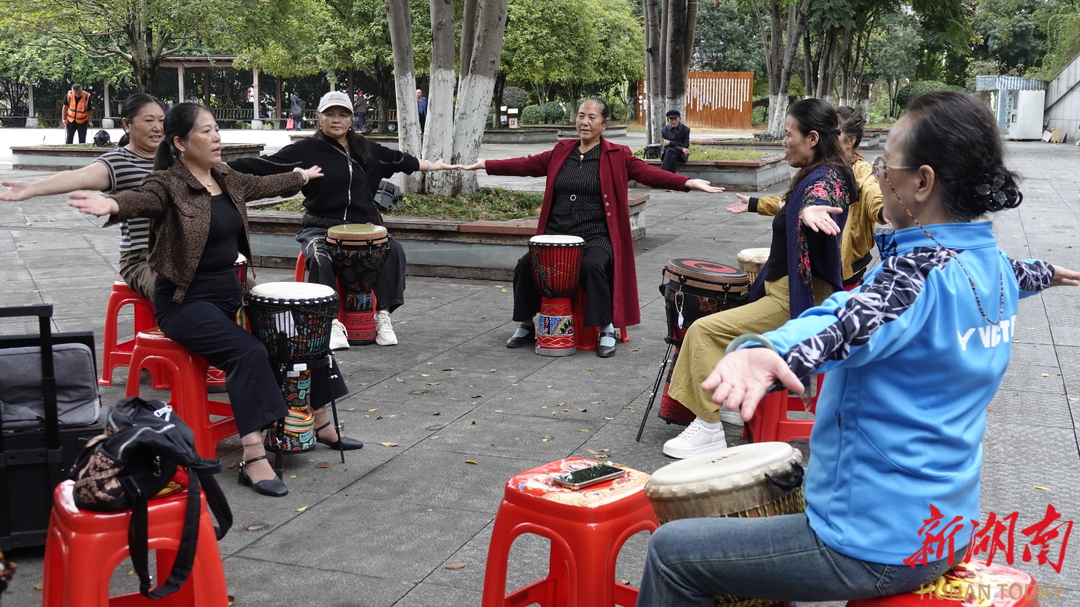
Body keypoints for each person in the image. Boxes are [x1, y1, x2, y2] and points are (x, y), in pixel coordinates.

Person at [635, 90, 1080, 607]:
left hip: (874, 543)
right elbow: (1011, 272)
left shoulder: (914, 277)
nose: (877, 176)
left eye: (884, 165)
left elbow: (849, 318)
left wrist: (772, 350)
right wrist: (1044, 273)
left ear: (922, 182)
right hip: (946, 529)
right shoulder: (993, 267)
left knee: (670, 552)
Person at [67, 103, 364, 498]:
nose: (216, 137)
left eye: (216, 129)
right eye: (205, 131)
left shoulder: (224, 176)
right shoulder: (167, 183)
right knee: (248, 352)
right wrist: (114, 205)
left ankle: (321, 422)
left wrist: (300, 176)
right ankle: (253, 455)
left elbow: (261, 184)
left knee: (299, 331)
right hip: (185, 302)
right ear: (180, 143)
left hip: (229, 294)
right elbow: (142, 199)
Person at [661, 98, 853, 456]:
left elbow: (817, 198)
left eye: (788, 135)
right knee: (719, 322)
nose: (784, 141)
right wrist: (754, 204)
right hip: (781, 292)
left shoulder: (828, 178)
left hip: (796, 300)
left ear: (812, 138)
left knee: (703, 331)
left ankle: (708, 428)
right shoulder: (816, 172)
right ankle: (729, 403)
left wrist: (811, 210)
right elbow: (792, 204)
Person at [462, 98, 724, 357]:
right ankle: (526, 324)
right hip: (557, 234)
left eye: (592, 117)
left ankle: (606, 328)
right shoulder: (561, 151)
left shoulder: (617, 155)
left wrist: (687, 182)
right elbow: (526, 164)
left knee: (592, 266)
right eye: (581, 116)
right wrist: (486, 164)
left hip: (596, 235)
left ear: (604, 123)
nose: (584, 122)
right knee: (525, 265)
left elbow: (649, 174)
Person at [229, 91, 458, 349]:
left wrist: (433, 165)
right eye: (330, 114)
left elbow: (401, 160)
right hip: (320, 226)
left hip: (364, 226)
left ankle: (382, 315)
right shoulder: (305, 150)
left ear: (351, 120)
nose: (336, 120)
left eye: (343, 114)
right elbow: (264, 165)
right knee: (320, 256)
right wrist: (219, 167)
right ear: (319, 118)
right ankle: (331, 322)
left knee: (393, 249)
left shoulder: (368, 150)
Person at [1, 93, 166, 299]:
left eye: (161, 121)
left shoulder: (177, 157)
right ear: (127, 124)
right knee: (178, 290)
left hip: (180, 254)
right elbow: (78, 177)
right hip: (143, 259)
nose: (157, 127)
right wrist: (34, 188)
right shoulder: (118, 161)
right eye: (149, 121)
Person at [728, 106, 885, 287]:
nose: (828, 137)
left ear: (851, 141)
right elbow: (797, 202)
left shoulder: (860, 171)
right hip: (818, 269)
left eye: (835, 133)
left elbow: (873, 195)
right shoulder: (820, 168)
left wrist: (885, 211)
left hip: (846, 271)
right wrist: (755, 203)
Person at [660, 109, 690, 173]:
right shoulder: (664, 130)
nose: (673, 121)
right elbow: (666, 147)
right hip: (667, 154)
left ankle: (662, 174)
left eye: (675, 119)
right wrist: (681, 148)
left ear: (679, 119)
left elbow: (685, 145)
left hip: (681, 155)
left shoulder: (685, 130)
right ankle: (668, 175)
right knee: (669, 151)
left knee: (670, 152)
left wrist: (670, 143)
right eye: (671, 119)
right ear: (668, 120)